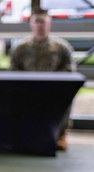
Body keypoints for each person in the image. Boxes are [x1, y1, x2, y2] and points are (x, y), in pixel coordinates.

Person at [10, 12, 76, 150]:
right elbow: (14, 70)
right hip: (28, 89)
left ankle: (60, 135)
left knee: (65, 102)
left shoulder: (61, 47)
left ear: (49, 23)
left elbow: (69, 69)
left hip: (53, 89)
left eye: (43, 22)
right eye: (37, 22)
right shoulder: (21, 48)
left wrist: (53, 83)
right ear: (31, 24)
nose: (40, 25)